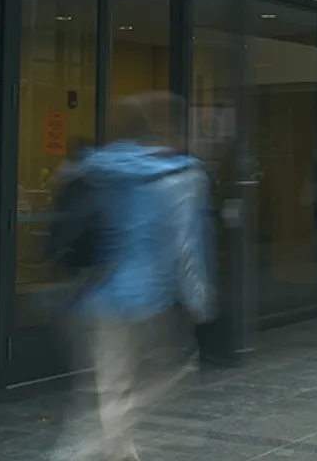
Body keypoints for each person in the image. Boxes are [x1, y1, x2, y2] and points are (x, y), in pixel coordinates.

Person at [53, 92, 214, 461]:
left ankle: (121, 451)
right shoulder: (184, 176)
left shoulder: (100, 167)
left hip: (97, 298)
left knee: (108, 388)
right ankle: (81, 452)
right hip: (150, 303)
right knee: (171, 374)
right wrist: (198, 299)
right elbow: (185, 247)